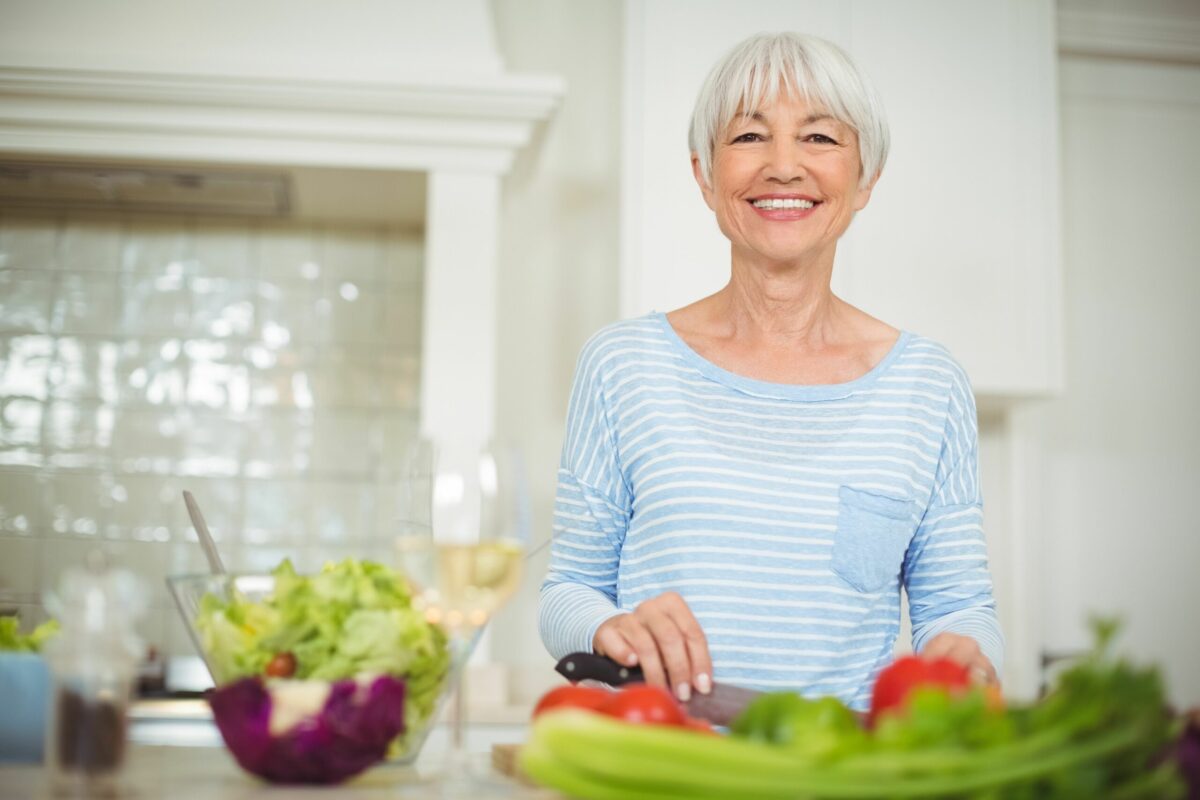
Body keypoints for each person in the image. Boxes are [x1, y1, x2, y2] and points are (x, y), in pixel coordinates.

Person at [538, 32, 1002, 712]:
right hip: (660, 761)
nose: (784, 167)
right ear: (704, 173)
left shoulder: (928, 386)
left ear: (865, 177)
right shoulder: (622, 365)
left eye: (819, 138)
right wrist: (609, 626)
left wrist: (966, 653)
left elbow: (959, 606)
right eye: (750, 136)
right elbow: (566, 591)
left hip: (837, 770)